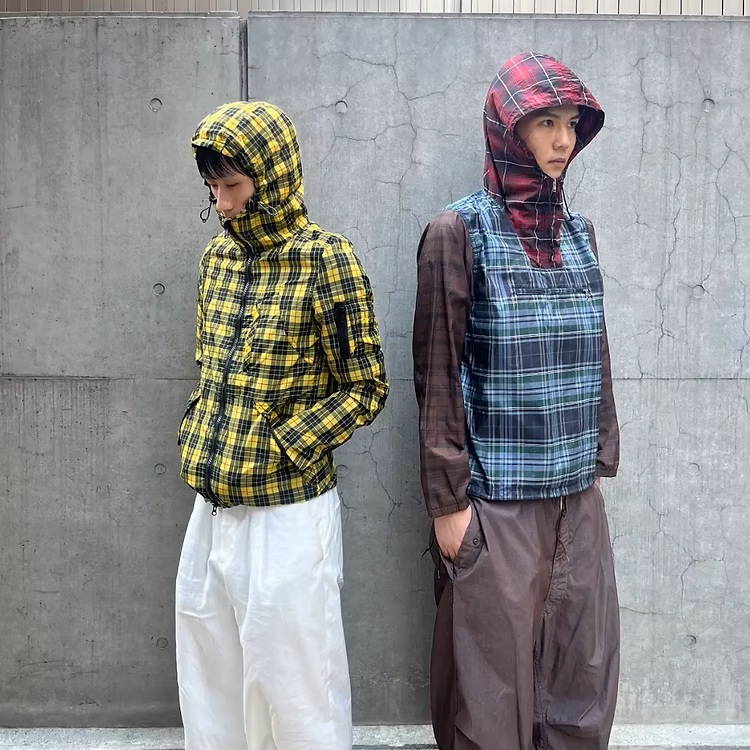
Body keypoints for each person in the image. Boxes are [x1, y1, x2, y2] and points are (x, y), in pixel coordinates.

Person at [413, 53, 621, 750]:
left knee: (580, 683)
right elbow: (437, 376)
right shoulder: (457, 233)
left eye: (572, 125)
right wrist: (449, 507)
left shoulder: (579, 236)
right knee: (490, 699)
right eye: (544, 123)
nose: (563, 140)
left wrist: (597, 460)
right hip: (495, 503)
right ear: (506, 129)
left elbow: (596, 355)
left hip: (576, 502)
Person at [175, 100, 388, 750]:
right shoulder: (217, 259)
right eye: (213, 188)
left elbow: (366, 386)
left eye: (233, 186)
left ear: (271, 177)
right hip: (212, 505)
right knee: (209, 677)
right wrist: (199, 430)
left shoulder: (326, 259)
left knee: (296, 688)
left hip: (289, 513)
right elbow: (210, 369)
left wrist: (284, 444)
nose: (222, 204)